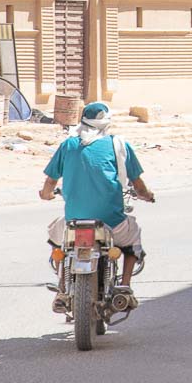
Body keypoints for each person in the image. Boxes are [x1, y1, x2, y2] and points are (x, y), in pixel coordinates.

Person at [39, 102, 154, 310]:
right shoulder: (119, 145)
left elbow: (50, 182)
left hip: (74, 222)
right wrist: (146, 195)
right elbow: (138, 184)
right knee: (133, 235)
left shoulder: (68, 145)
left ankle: (63, 287)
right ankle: (125, 285)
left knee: (59, 243)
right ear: (106, 123)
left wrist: (46, 195)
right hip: (112, 224)